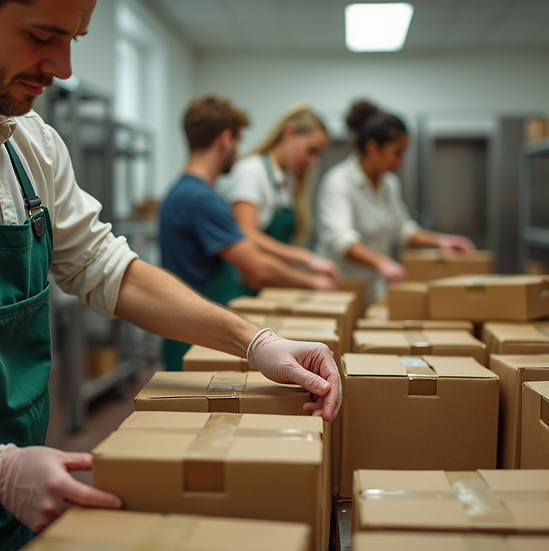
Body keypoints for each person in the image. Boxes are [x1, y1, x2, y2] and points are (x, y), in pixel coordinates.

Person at [0, 1, 341, 549]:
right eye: (41, 36)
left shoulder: (30, 144)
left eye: (73, 39)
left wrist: (257, 342)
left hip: (9, 505)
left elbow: (107, 266)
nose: (63, 67)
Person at [158, 96, 337, 372]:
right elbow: (257, 269)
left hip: (187, 329)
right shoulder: (201, 199)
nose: (239, 151)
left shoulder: (181, 192)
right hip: (197, 334)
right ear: (226, 139)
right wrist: (310, 280)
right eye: (238, 142)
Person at [315, 100, 475, 295]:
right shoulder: (338, 182)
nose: (402, 161)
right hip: (341, 289)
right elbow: (341, 240)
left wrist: (441, 241)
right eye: (397, 153)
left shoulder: (389, 184)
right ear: (373, 148)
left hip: (375, 289)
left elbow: (402, 230)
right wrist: (381, 262)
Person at [214, 103, 340, 299]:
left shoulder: (288, 180)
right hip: (241, 290)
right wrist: (305, 258)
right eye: (311, 150)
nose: (313, 162)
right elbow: (246, 233)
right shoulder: (251, 172)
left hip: (267, 288)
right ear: (289, 133)